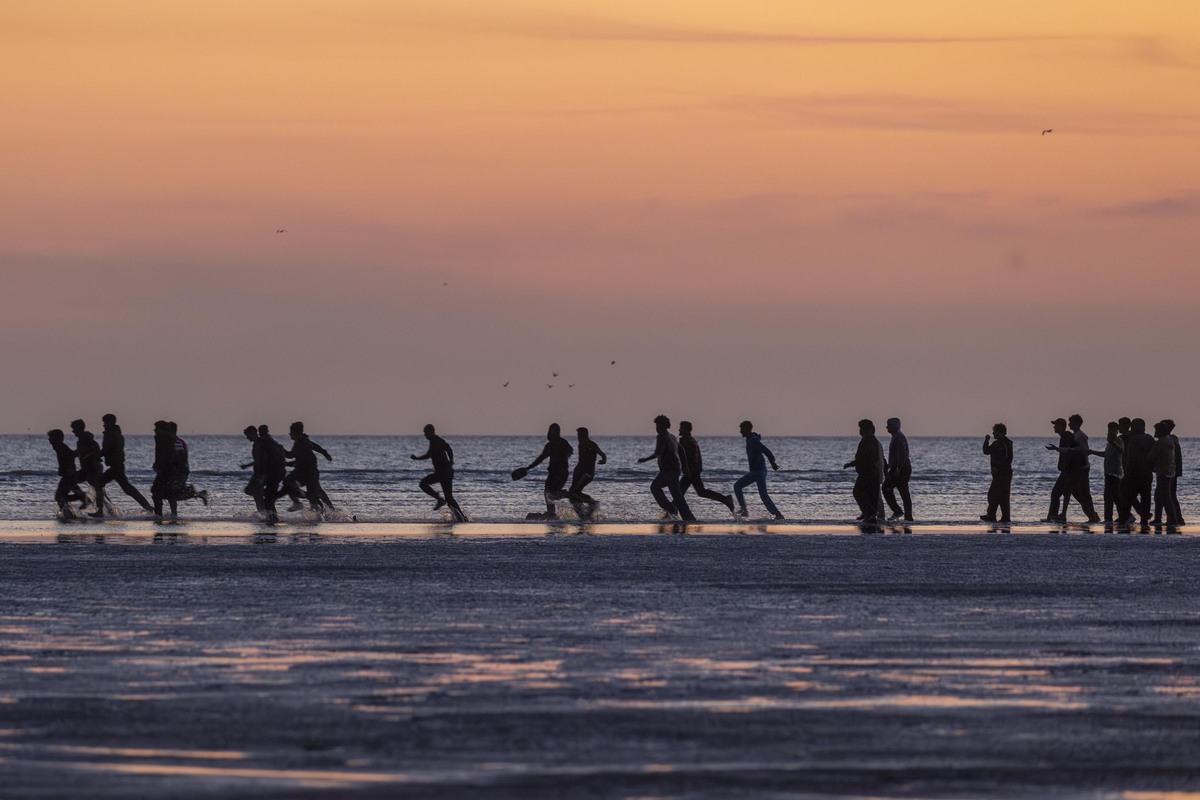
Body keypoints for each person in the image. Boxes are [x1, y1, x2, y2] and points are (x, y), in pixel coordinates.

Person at [637, 414, 695, 521]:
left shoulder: (662, 436)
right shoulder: (672, 437)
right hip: (674, 469)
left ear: (662, 426)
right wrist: (684, 466)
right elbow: (681, 451)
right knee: (676, 495)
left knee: (656, 488)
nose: (656, 428)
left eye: (658, 425)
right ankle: (684, 515)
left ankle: (674, 510)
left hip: (669, 470)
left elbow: (658, 452)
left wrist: (644, 459)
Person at [95, 413, 154, 514]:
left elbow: (108, 449)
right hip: (117, 466)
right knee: (128, 489)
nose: (103, 425)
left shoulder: (111, 434)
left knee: (99, 484)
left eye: (104, 423)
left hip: (116, 466)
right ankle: (148, 507)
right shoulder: (115, 433)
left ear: (109, 422)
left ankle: (100, 510)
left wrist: (97, 455)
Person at [517, 423, 573, 519]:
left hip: (561, 473)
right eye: (552, 430)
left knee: (553, 493)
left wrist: (567, 454)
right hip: (552, 473)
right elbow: (541, 458)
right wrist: (529, 467)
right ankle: (551, 513)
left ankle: (570, 495)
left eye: (555, 430)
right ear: (550, 432)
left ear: (558, 432)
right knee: (547, 492)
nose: (553, 432)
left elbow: (570, 449)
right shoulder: (549, 445)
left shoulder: (562, 442)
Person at [677, 421, 734, 514]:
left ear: (686, 429)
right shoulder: (692, 440)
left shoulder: (685, 441)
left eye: (681, 428)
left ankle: (672, 511)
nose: (679, 430)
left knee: (679, 493)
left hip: (691, 471)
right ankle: (725, 499)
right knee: (700, 492)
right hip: (695, 470)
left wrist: (686, 469)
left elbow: (687, 457)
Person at [733, 420, 783, 519]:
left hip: (758, 471)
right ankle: (777, 514)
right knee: (763, 495)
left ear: (747, 429)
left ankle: (744, 510)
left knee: (737, 486)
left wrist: (772, 462)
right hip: (758, 471)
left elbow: (766, 451)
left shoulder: (753, 441)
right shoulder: (750, 439)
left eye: (742, 429)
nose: (740, 431)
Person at [412, 424, 463, 520]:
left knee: (423, 483)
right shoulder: (432, 442)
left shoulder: (438, 441)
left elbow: (449, 449)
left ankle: (439, 499)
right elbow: (429, 454)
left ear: (431, 432)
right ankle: (461, 518)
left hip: (444, 472)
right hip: (445, 472)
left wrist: (451, 460)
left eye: (426, 432)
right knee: (449, 498)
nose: (425, 435)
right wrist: (417, 458)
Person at [285, 421, 335, 512]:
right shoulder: (303, 440)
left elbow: (291, 455)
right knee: (316, 492)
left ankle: (301, 503)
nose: (290, 434)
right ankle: (329, 509)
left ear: (295, 433)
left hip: (307, 472)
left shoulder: (301, 443)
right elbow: (314, 447)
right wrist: (325, 453)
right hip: (307, 471)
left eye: (291, 432)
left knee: (288, 482)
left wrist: (281, 451)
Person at [844, 419, 885, 523]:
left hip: (868, 472)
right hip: (868, 472)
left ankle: (870, 513)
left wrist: (854, 463)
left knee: (858, 492)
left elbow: (867, 457)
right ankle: (868, 513)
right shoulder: (869, 440)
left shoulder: (869, 440)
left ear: (868, 429)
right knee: (868, 494)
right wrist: (853, 463)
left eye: (861, 428)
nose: (860, 431)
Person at [1118, 418, 1156, 527]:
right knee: (1146, 496)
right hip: (1147, 472)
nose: (1132, 429)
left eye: (1133, 427)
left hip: (1134, 472)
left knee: (1128, 495)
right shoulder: (1149, 438)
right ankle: (1144, 519)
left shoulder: (1134, 440)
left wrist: (1127, 473)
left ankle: (1125, 517)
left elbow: (1131, 459)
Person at [70, 419, 108, 517]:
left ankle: (100, 510)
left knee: (98, 487)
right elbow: (80, 452)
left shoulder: (87, 439)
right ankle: (85, 499)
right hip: (85, 470)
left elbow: (95, 450)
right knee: (70, 481)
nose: (73, 431)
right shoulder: (81, 440)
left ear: (79, 428)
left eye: (74, 429)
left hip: (93, 468)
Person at [568, 427, 607, 519]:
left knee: (573, 492)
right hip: (579, 471)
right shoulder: (580, 445)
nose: (578, 438)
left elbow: (602, 454)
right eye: (578, 436)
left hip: (586, 474)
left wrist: (603, 460)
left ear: (584, 436)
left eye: (579, 436)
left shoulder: (591, 445)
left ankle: (592, 503)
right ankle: (582, 515)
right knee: (574, 494)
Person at [1043, 418, 1077, 522]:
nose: (1054, 427)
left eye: (1056, 425)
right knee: (1066, 493)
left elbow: (1068, 452)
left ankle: (1052, 516)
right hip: (1070, 470)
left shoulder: (1065, 437)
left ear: (1061, 426)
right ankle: (1062, 515)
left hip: (1067, 470)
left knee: (1055, 493)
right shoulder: (1066, 436)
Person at [48, 429, 87, 513]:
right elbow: (71, 455)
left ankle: (80, 500)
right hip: (68, 474)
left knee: (59, 497)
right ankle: (81, 499)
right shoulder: (59, 447)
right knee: (64, 494)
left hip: (68, 474)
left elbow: (70, 456)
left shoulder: (61, 447)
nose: (49, 439)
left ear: (56, 439)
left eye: (50, 438)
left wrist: (68, 470)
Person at [1092, 421, 1124, 523]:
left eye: (1113, 429)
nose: (1110, 431)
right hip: (1108, 472)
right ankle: (1110, 518)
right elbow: (1106, 454)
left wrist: (1112, 442)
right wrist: (1092, 452)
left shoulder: (1118, 441)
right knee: (1110, 496)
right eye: (1109, 429)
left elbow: (1121, 450)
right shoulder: (1110, 442)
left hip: (1115, 473)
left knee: (1113, 496)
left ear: (1116, 431)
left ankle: (1120, 517)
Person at [980, 423, 1013, 522]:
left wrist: (998, 468)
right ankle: (994, 515)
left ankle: (1002, 517)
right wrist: (986, 441)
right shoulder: (997, 443)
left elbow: (1007, 459)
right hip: (1000, 474)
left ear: (1000, 433)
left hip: (1003, 474)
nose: (993, 433)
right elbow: (986, 451)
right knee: (997, 495)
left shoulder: (1004, 444)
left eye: (995, 432)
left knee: (998, 495)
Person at [1149, 421, 1179, 527]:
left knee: (1165, 496)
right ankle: (1159, 518)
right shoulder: (1170, 440)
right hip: (1170, 471)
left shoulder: (1160, 443)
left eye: (1156, 430)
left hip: (1163, 472)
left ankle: (1172, 519)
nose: (1155, 432)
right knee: (1160, 495)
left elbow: (1150, 457)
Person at [883, 417, 913, 521]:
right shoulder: (896, 436)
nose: (887, 427)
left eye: (889, 425)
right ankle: (907, 515)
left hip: (901, 468)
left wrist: (898, 469)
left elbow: (902, 455)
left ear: (894, 426)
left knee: (887, 488)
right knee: (903, 491)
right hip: (900, 467)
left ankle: (899, 512)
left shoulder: (898, 437)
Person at [150, 420, 182, 519]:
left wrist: (160, 466)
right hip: (167, 470)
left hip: (166, 470)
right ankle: (171, 515)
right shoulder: (167, 439)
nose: (154, 430)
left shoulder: (164, 440)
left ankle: (159, 515)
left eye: (156, 428)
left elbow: (167, 455)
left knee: (157, 492)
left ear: (161, 430)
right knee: (168, 493)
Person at [1162, 419, 1185, 525]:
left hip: (1169, 470)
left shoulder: (1168, 440)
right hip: (1174, 470)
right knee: (1171, 495)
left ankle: (1174, 518)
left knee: (1169, 495)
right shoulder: (1174, 439)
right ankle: (1177, 518)